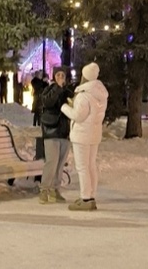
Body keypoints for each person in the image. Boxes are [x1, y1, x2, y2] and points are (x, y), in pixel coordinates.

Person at [61, 61, 107, 211]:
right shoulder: (100, 94)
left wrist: (64, 107)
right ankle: (91, 195)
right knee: (91, 165)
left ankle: (85, 197)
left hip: (82, 135)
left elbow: (78, 116)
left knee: (82, 167)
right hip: (94, 133)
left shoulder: (83, 96)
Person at [37, 67, 72, 203]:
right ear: (54, 76)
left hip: (64, 132)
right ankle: (44, 190)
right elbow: (48, 102)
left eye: (63, 75)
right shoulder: (49, 89)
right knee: (51, 162)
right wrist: (58, 88)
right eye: (58, 75)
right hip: (51, 131)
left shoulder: (67, 91)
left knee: (60, 163)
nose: (60, 77)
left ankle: (55, 189)